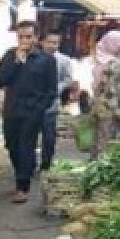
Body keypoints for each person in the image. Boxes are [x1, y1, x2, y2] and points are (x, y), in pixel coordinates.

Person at [0, 20, 57, 203]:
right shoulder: (9, 56)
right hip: (12, 110)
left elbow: (51, 90)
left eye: (28, 37)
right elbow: (0, 80)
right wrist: (16, 62)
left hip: (32, 112)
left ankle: (23, 186)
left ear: (36, 38)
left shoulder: (47, 60)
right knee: (12, 146)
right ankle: (22, 173)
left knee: (26, 147)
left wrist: (40, 109)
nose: (24, 40)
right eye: (21, 37)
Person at [90, 30, 120, 157]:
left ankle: (94, 160)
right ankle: (101, 164)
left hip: (96, 103)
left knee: (97, 135)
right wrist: (118, 108)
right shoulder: (113, 63)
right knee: (105, 136)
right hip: (110, 105)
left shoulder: (97, 59)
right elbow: (115, 88)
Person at [40, 31, 74, 170]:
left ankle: (46, 164)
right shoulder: (34, 57)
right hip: (32, 103)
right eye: (50, 42)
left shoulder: (64, 60)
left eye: (56, 43)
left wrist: (57, 87)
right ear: (42, 42)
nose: (53, 45)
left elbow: (68, 78)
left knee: (49, 136)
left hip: (51, 103)